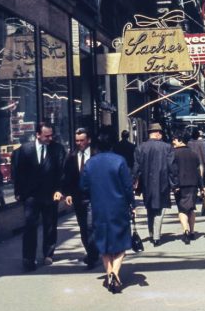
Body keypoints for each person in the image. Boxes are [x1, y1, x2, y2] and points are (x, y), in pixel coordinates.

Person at [80, 126, 135, 294]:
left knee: (104, 244)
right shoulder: (119, 161)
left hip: (99, 207)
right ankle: (115, 273)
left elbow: (83, 186)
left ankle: (108, 272)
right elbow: (127, 187)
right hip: (118, 207)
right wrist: (132, 204)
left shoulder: (90, 163)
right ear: (112, 144)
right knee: (121, 243)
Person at [14, 121, 66, 272]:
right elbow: (19, 172)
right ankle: (28, 258)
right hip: (31, 195)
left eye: (51, 135)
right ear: (37, 135)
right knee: (30, 224)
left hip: (50, 194)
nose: (50, 138)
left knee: (50, 225)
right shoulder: (25, 150)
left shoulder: (57, 149)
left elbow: (62, 171)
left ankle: (48, 253)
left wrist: (60, 190)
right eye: (46, 136)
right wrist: (18, 192)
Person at [132, 123, 178, 247]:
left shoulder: (141, 147)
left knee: (150, 209)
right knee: (160, 209)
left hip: (146, 183)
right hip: (162, 183)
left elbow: (136, 167)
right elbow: (172, 167)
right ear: (158, 133)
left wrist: (133, 181)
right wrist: (175, 184)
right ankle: (156, 236)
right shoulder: (167, 147)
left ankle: (151, 233)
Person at [60, 128, 99, 269]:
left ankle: (93, 255)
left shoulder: (96, 155)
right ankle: (90, 251)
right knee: (83, 227)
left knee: (90, 225)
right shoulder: (71, 156)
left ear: (89, 140)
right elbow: (67, 177)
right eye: (77, 141)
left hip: (93, 197)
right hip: (78, 197)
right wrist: (67, 193)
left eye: (82, 140)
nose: (79, 143)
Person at [172, 131, 203, 244]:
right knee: (191, 208)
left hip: (180, 185)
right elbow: (198, 171)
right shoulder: (193, 154)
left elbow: (172, 171)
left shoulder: (173, 153)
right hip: (193, 185)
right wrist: (202, 186)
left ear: (180, 140)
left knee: (182, 209)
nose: (173, 142)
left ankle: (185, 230)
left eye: (174, 139)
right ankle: (193, 232)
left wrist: (173, 185)